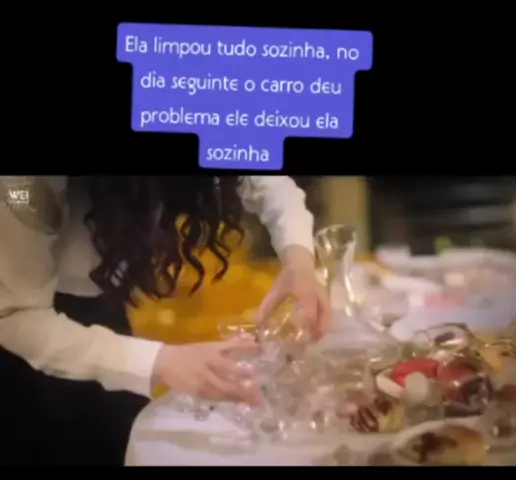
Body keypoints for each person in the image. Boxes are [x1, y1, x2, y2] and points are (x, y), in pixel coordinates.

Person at [0, 175, 331, 466]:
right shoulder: (23, 185)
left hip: (103, 315)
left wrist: (298, 261)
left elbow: (265, 178)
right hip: (24, 356)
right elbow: (13, 316)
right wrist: (158, 361)